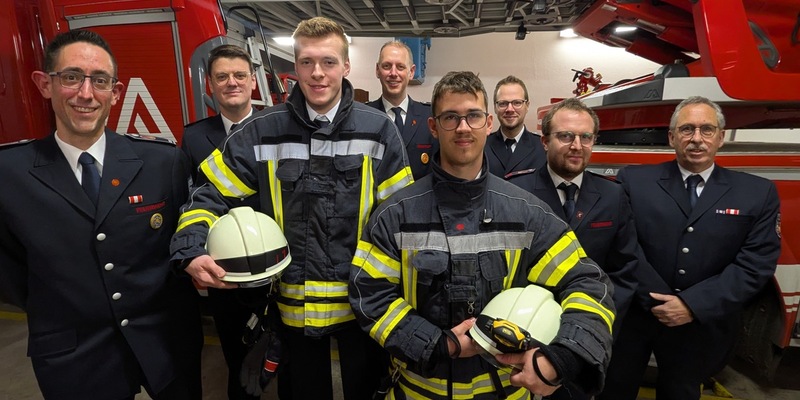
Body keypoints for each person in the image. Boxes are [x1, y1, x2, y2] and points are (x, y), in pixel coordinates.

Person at [169, 17, 413, 400]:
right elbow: (209, 193)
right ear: (295, 67)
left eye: (328, 62)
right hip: (291, 312)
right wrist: (191, 247)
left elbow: (402, 218)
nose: (317, 73)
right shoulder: (261, 131)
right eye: (307, 62)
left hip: (363, 308)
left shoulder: (379, 129)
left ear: (346, 66)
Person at [349, 71, 615, 399]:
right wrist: (440, 345)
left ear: (488, 123)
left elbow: (588, 284)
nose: (463, 127)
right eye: (450, 117)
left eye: (473, 116)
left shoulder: (527, 213)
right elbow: (370, 295)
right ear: (433, 127)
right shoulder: (395, 215)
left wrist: (562, 358)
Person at [0, 30, 202, 399]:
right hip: (73, 354)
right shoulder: (9, 173)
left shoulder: (162, 162)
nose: (86, 93)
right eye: (71, 77)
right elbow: (10, 270)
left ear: (116, 92)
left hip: (165, 340)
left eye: (100, 80)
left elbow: (178, 244)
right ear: (44, 84)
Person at [598, 96, 781, 400]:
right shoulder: (635, 181)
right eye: (687, 129)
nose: (697, 138)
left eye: (707, 129)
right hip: (635, 318)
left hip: (701, 323)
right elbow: (622, 246)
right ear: (672, 137)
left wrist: (692, 305)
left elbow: (755, 263)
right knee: (614, 389)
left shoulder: (757, 193)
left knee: (681, 392)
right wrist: (657, 300)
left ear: (721, 137)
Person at [515, 97, 639, 400]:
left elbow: (624, 270)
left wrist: (598, 325)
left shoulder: (613, 196)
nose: (577, 145)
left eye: (586, 137)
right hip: (528, 334)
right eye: (566, 136)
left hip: (585, 336)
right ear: (545, 141)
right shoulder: (517, 194)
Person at [180, 44, 261, 400]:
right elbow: (189, 197)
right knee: (235, 351)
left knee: (286, 354)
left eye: (240, 75)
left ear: (253, 81)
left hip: (276, 261)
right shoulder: (194, 137)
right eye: (222, 76)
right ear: (210, 85)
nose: (232, 83)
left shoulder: (276, 128)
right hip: (223, 268)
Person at [367, 40, 438, 180]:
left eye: (400, 67)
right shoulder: (365, 117)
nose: (393, 73)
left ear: (411, 72)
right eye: (387, 66)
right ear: (377, 70)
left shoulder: (430, 117)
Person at [485, 75, 545, 183]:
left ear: (527, 106)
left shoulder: (543, 147)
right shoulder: (482, 146)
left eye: (517, 103)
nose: (510, 109)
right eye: (503, 103)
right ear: (495, 107)